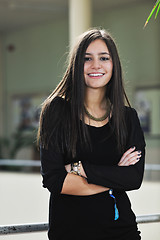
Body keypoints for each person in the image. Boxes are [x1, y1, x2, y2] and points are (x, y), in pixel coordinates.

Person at [38, 28, 145, 240]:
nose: (96, 65)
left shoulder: (128, 117)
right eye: (87, 58)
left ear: (114, 65)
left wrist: (79, 169)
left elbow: (133, 178)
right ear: (77, 65)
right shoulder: (56, 110)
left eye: (104, 58)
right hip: (70, 232)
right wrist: (116, 174)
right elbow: (56, 181)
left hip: (121, 232)